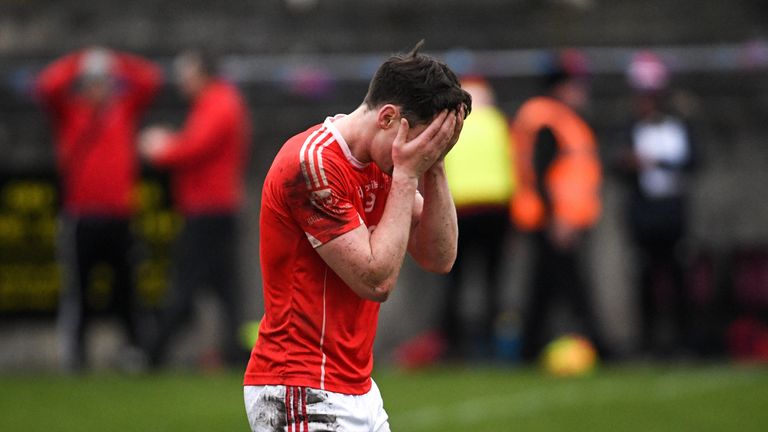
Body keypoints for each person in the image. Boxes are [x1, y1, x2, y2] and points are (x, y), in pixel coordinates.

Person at [243, 42, 470, 432]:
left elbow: (439, 256)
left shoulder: (388, 161)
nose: (421, 152)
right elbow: (375, 280)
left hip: (356, 386)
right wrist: (407, 173)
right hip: (300, 386)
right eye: (421, 140)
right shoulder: (313, 164)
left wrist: (435, 166)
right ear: (387, 117)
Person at [35, 48, 162, 371]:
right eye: (91, 82)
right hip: (82, 218)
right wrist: (79, 59)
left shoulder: (122, 110)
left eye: (103, 82)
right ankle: (76, 358)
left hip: (120, 217)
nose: (97, 88)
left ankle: (135, 352)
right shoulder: (70, 112)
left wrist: (114, 59)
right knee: (79, 292)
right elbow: (46, 86)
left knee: (126, 291)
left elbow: (150, 80)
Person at [140, 49, 251, 368]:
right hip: (215, 208)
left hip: (209, 210)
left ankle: (153, 352)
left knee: (186, 284)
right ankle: (236, 351)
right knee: (226, 289)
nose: (181, 83)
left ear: (202, 75)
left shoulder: (219, 103)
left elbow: (194, 147)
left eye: (186, 76)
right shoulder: (216, 102)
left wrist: (160, 148)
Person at [509, 59, 609, 363]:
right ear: (561, 86)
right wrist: (556, 219)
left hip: (556, 220)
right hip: (553, 221)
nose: (583, 91)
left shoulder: (557, 117)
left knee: (544, 289)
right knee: (573, 287)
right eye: (577, 85)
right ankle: (602, 346)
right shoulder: (547, 119)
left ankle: (528, 349)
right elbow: (541, 173)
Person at [616, 53, 696, 357]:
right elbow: (616, 164)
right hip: (644, 215)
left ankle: (683, 341)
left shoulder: (679, 125)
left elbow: (694, 160)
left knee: (678, 278)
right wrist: (628, 163)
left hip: (673, 213)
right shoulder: (630, 128)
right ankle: (648, 342)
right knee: (645, 278)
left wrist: (659, 163)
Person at [439, 76, 516, 360]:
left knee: (453, 280)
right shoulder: (498, 123)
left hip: (459, 209)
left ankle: (453, 345)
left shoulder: (450, 125)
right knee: (493, 280)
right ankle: (494, 345)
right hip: (496, 207)